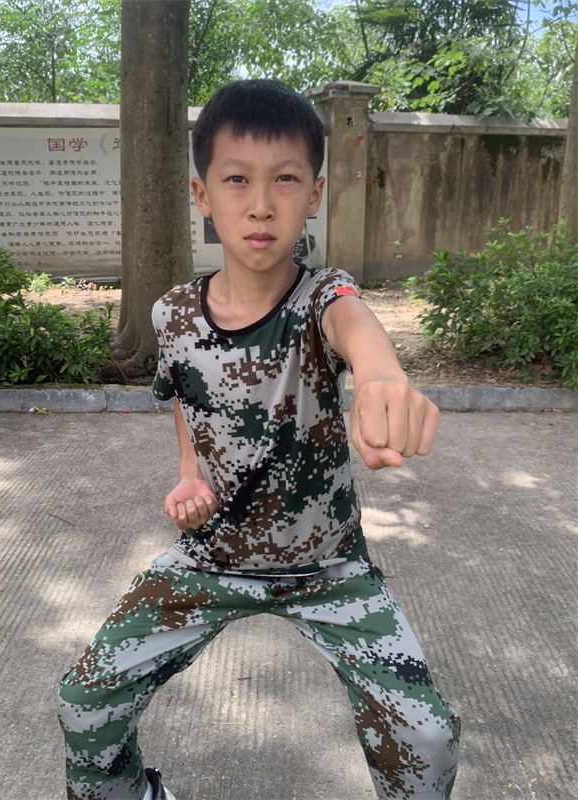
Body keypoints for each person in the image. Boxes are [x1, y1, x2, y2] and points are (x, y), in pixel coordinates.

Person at [58, 79, 460, 800]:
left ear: (316, 194)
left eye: (286, 179)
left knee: (427, 741)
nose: (262, 204)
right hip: (209, 558)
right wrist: (191, 475)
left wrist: (381, 375)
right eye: (237, 179)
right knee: (84, 703)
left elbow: (355, 326)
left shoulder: (322, 297)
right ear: (202, 193)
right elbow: (185, 398)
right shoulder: (173, 314)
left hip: (328, 568)